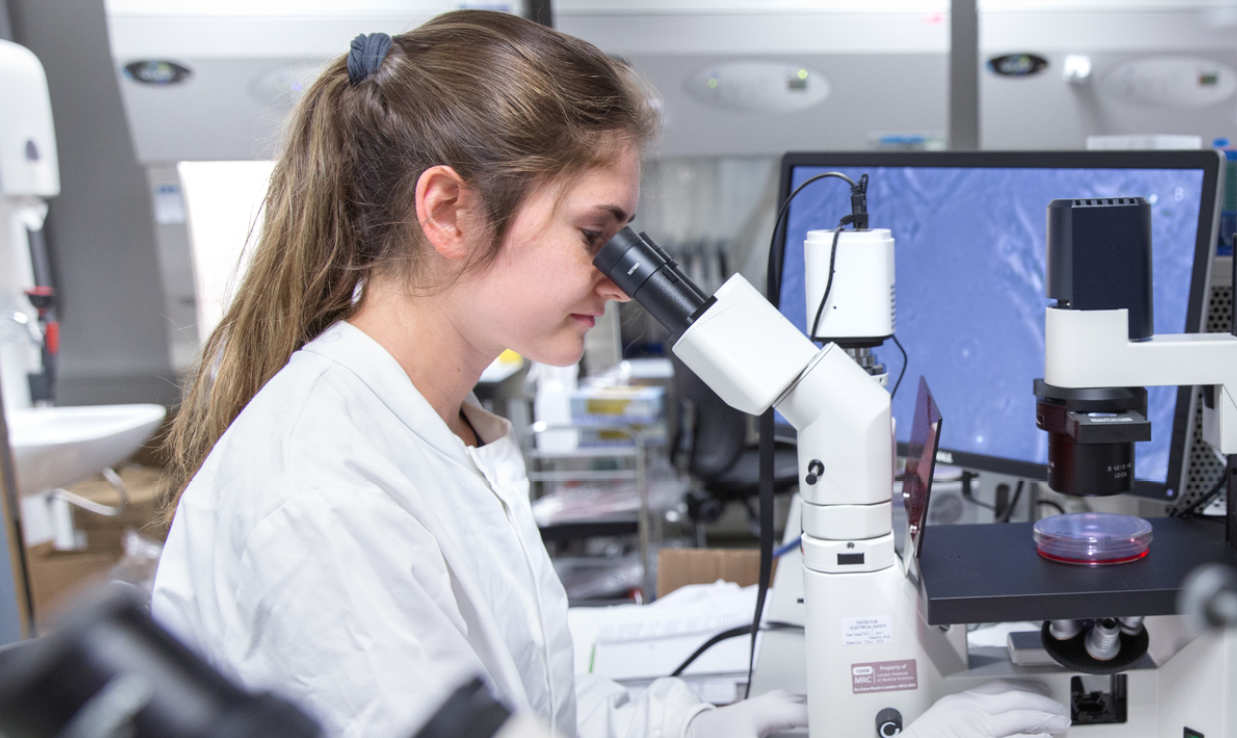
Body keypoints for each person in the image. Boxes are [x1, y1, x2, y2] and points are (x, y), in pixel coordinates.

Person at [148, 10, 1069, 738]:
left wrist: (698, 726)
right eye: (599, 236)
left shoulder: (437, 428)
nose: (622, 285)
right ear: (448, 210)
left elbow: (526, 706)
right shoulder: (325, 490)